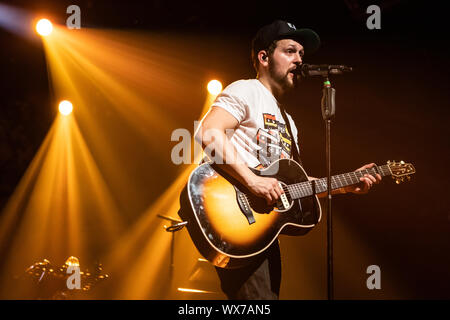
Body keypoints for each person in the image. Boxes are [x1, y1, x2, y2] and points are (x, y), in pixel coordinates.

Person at [188, 20, 382, 299]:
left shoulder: (288, 120)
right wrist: (253, 182)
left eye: (302, 54)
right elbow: (208, 132)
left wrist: (346, 185)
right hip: (233, 218)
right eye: (290, 51)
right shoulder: (246, 90)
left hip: (259, 233)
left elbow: (297, 184)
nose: (299, 60)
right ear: (263, 57)